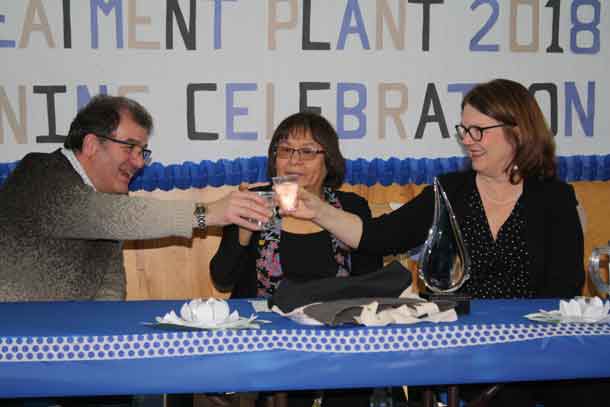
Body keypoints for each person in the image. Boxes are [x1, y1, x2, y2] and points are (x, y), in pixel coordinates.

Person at [289, 79, 592, 406]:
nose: (468, 140)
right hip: (456, 350)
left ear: (517, 131)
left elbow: (565, 288)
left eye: (478, 131)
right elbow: (377, 236)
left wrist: (517, 342)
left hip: (531, 351)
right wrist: (318, 211)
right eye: (464, 130)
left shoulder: (555, 199)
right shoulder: (449, 191)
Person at [0, 94, 271, 302]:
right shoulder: (39, 173)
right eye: (130, 148)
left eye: (143, 151)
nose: (139, 162)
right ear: (92, 144)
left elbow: (109, 281)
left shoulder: (108, 200)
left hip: (60, 345)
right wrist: (208, 212)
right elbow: (106, 215)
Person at [210, 111, 383, 407]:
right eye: (286, 150)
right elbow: (222, 279)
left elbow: (371, 285)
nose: (294, 160)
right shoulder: (255, 202)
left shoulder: (351, 210)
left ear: (329, 162)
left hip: (339, 353)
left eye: (307, 151)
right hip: (266, 353)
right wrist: (243, 228)